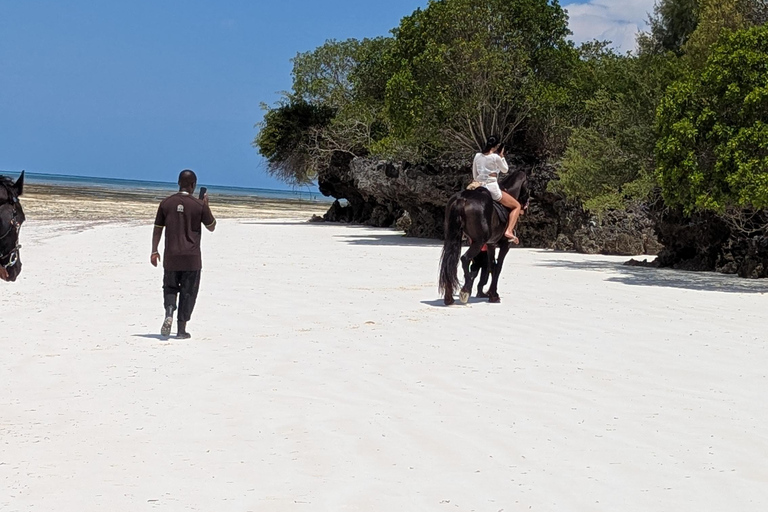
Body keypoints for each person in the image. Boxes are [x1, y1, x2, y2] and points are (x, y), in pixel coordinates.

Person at [150, 170, 216, 339]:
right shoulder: (199, 205)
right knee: (188, 292)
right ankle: (181, 330)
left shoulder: (166, 203)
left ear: (178, 183)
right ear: (193, 185)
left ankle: (169, 312)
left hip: (171, 256)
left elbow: (157, 229)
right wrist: (206, 205)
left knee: (169, 287)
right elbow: (211, 226)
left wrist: (154, 250)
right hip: (191, 258)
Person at [472, 136, 522, 243]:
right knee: (517, 206)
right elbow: (505, 170)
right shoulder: (495, 157)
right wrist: (502, 157)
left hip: (479, 187)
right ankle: (509, 231)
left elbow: (475, 175)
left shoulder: (477, 156)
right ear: (496, 146)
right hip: (491, 187)